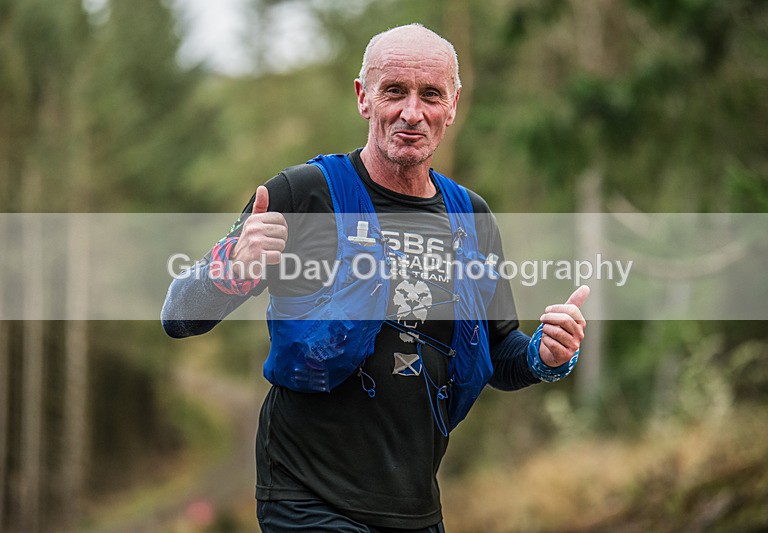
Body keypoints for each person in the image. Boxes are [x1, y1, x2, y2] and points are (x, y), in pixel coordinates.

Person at [162, 23, 588, 533]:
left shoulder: (469, 216)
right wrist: (231, 269)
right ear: (364, 98)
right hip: (306, 496)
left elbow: (500, 354)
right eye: (394, 91)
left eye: (430, 94)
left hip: (414, 507)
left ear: (452, 105)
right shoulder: (302, 196)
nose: (412, 113)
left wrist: (547, 356)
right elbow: (178, 316)